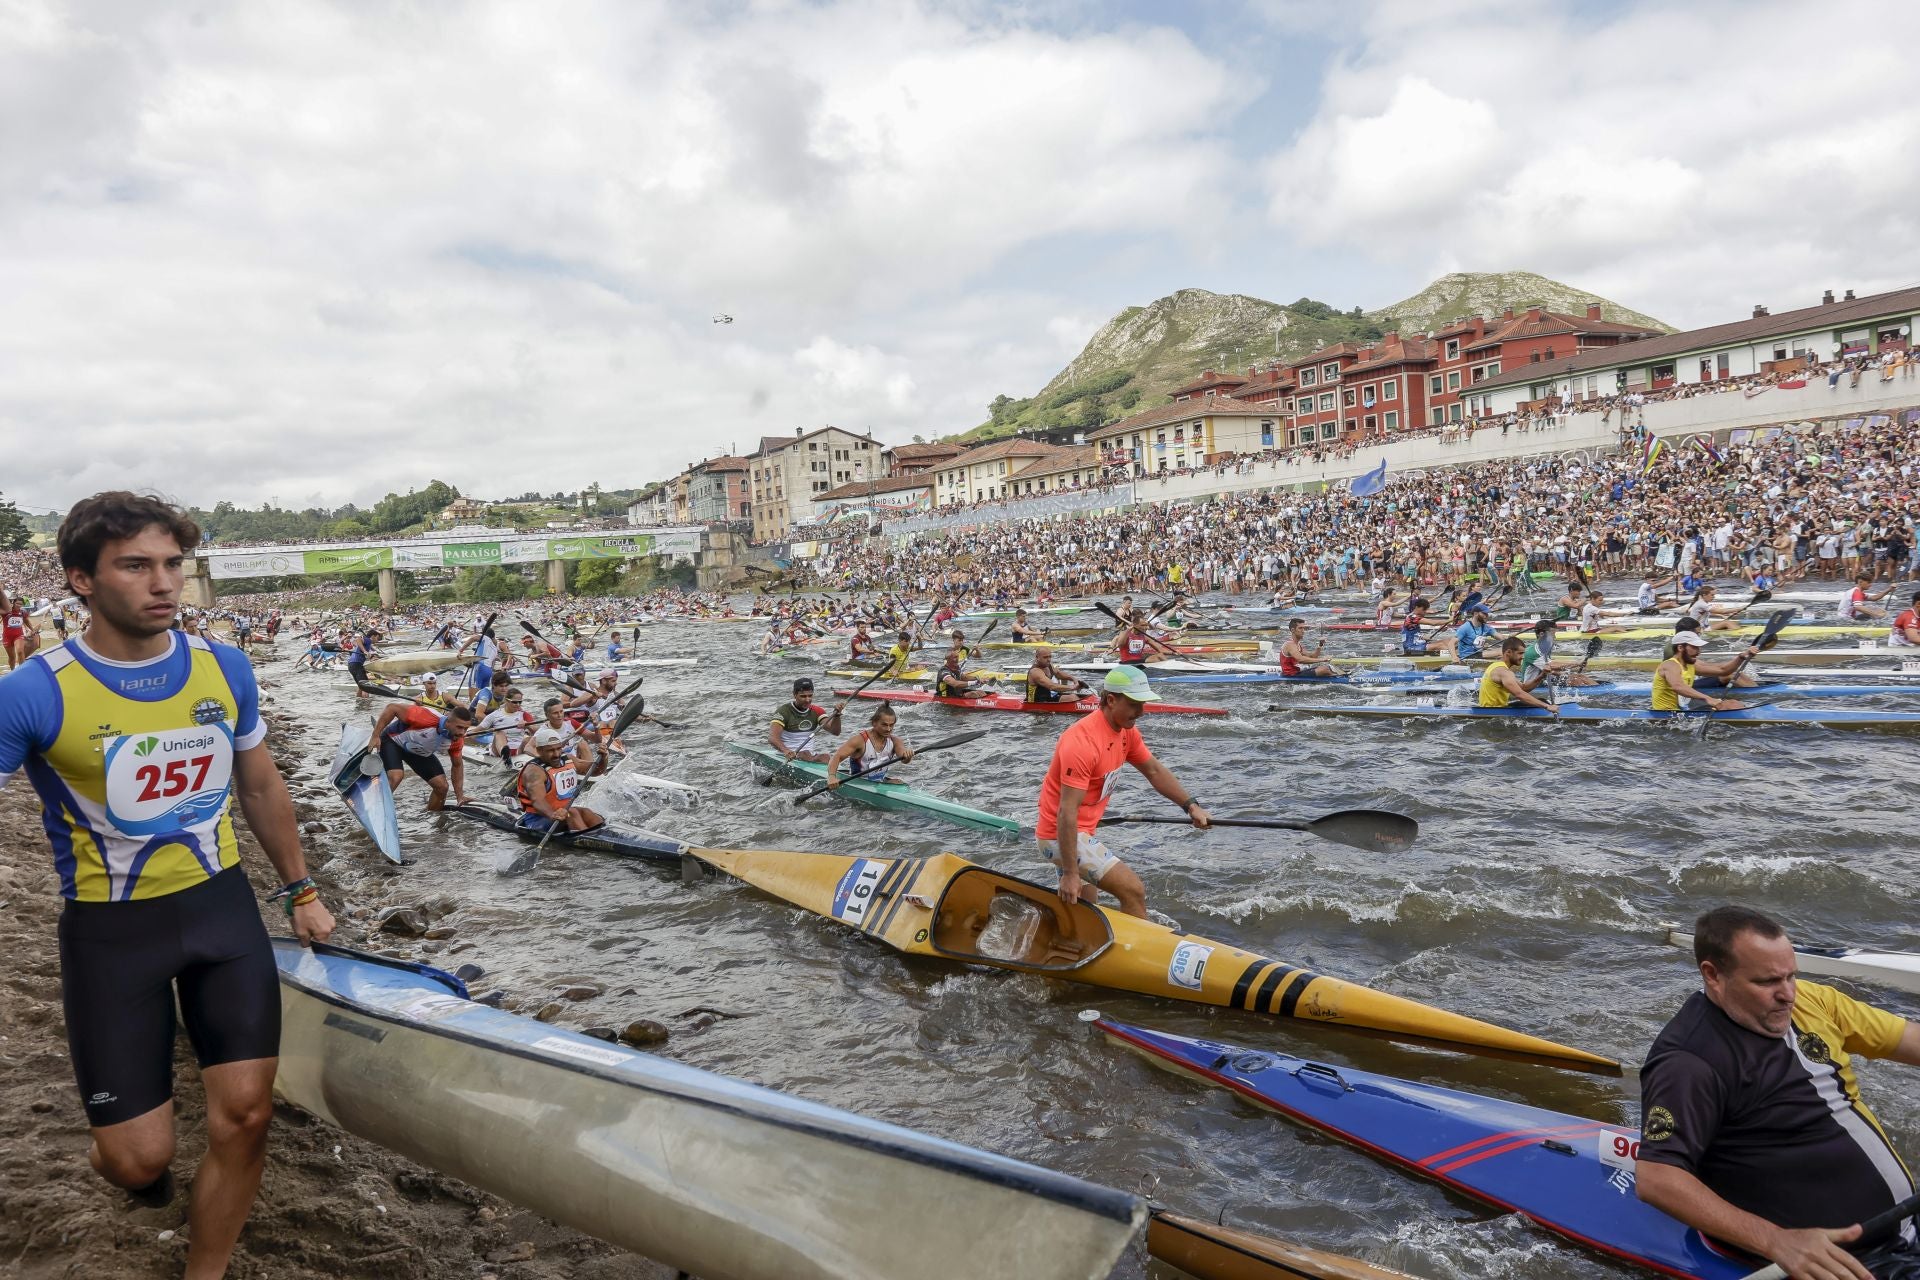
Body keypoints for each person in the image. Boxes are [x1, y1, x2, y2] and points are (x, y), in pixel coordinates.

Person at [0, 491, 334, 1277]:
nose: (163, 583)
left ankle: (205, 1271)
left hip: (222, 913)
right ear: (82, 579)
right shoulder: (33, 690)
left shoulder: (224, 665)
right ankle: (131, 1171)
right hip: (113, 934)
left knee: (246, 1116)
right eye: (136, 566)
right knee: (138, 1160)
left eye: (173, 565)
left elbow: (259, 785)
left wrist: (302, 891)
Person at [1637, 905, 1920, 1280]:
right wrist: (1777, 1242)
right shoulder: (1689, 1063)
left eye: (1791, 976)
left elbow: (1912, 1040)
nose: (1787, 994)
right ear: (1713, 975)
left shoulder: (1812, 1001)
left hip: (1905, 1225)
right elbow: (1657, 1178)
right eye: (1767, 982)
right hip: (1843, 1263)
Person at [1033, 667, 1211, 920]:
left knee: (1084, 909)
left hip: (1082, 830)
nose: (1141, 712)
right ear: (1111, 700)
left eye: (1143, 703)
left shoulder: (1126, 731)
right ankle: (1140, 953)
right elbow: (1066, 811)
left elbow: (1154, 771)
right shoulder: (1082, 742)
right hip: (1059, 834)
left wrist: (1190, 805)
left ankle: (1071, 943)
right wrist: (1071, 873)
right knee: (1133, 890)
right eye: (1134, 704)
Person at [370, 699, 471, 810]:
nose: (462, 733)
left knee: (442, 787)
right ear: (448, 722)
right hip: (392, 741)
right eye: (459, 727)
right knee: (396, 776)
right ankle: (375, 808)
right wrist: (375, 735)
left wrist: (459, 796)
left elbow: (457, 766)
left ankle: (433, 817)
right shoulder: (425, 716)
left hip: (417, 751)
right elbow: (392, 707)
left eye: (465, 728)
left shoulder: (456, 741)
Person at [514, 726, 604, 834]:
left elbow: (596, 771)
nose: (556, 754)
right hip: (538, 820)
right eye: (550, 751)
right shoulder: (534, 772)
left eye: (558, 748)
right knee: (572, 813)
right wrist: (553, 814)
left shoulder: (568, 759)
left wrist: (604, 758)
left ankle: (603, 835)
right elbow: (538, 801)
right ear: (539, 751)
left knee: (587, 812)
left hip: (564, 812)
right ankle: (588, 844)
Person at [1652, 634, 1755, 712]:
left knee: (1734, 703)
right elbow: (1678, 686)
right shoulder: (1670, 665)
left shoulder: (1690, 665)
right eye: (1695, 647)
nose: (1699, 652)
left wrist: (1741, 657)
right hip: (1667, 713)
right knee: (1731, 706)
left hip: (1684, 707)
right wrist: (1708, 698)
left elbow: (1723, 670)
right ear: (1680, 648)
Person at [825, 702, 912, 788]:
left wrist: (907, 756)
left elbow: (904, 759)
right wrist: (832, 777)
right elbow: (836, 757)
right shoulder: (859, 740)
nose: (889, 729)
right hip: (857, 784)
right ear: (874, 723)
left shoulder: (895, 741)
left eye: (891, 725)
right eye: (884, 725)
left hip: (879, 782)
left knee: (900, 783)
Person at [769, 677, 842, 763]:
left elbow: (835, 732)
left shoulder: (817, 711)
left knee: (826, 757)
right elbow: (772, 738)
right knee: (805, 754)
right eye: (803, 696)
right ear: (794, 695)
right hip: (788, 755)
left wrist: (837, 716)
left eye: (810, 696)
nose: (807, 700)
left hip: (809, 756)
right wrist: (786, 751)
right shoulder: (783, 711)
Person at [1478, 635, 1558, 712]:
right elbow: (1519, 694)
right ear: (1508, 652)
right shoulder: (1503, 672)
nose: (1523, 657)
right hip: (1493, 712)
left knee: (1542, 701)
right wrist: (1547, 707)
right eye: (1520, 653)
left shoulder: (1497, 666)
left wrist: (1542, 675)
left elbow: (1524, 688)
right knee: (1544, 703)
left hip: (1497, 708)